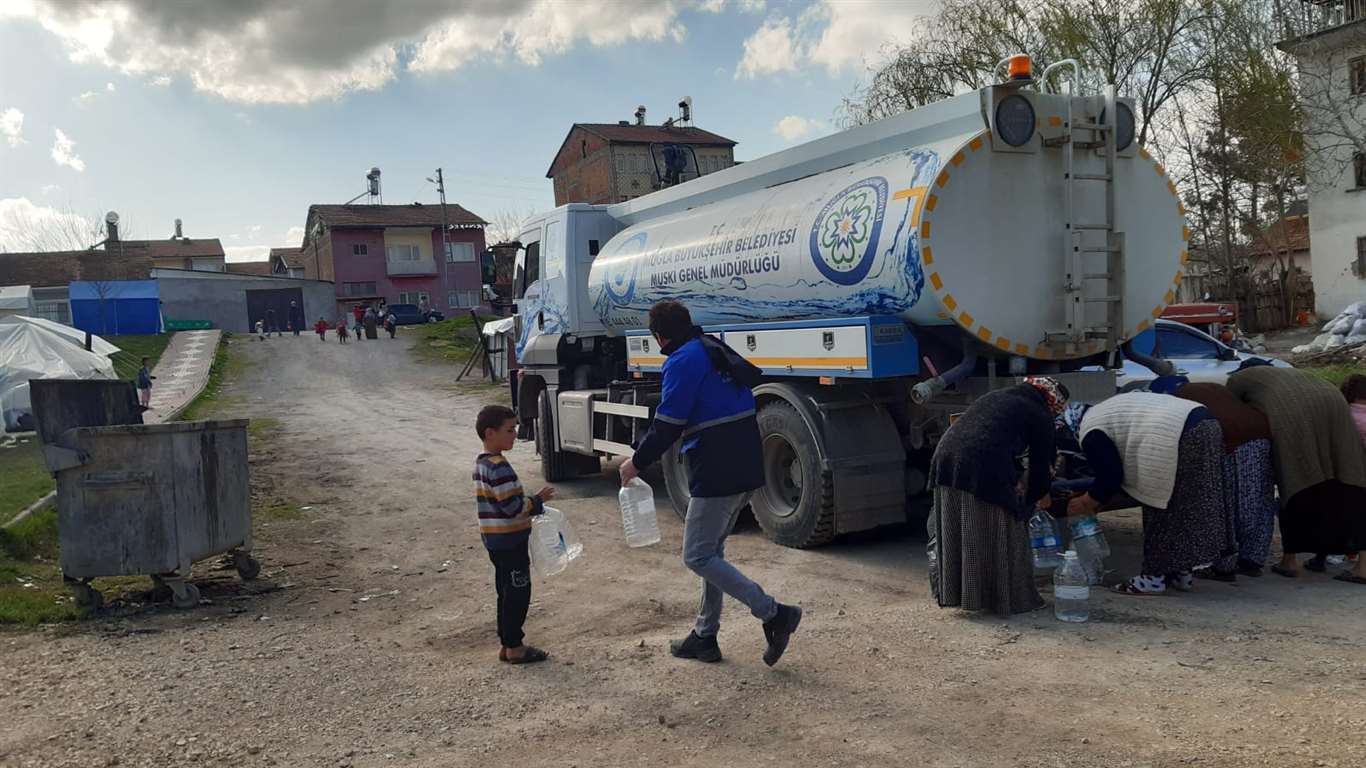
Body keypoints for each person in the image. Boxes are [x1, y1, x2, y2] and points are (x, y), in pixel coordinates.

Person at [619, 300, 802, 667]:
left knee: (697, 555)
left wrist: (635, 463)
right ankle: (705, 636)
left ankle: (773, 613)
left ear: (659, 336)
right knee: (711, 554)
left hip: (718, 466)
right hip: (745, 460)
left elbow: (669, 422)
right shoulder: (711, 347)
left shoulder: (682, 360)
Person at [928, 377, 1065, 616]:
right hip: (982, 464)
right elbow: (1041, 467)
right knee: (1005, 526)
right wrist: (1030, 504)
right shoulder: (1040, 413)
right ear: (1053, 403)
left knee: (962, 528)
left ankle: (962, 594)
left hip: (945, 459)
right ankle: (1011, 598)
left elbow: (993, 434)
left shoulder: (998, 396)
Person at [1070, 391, 1231, 595]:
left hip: (1172, 433)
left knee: (1158, 505)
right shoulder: (1101, 411)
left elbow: (1111, 475)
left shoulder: (1089, 431)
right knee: (1185, 504)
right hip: (1206, 423)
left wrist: (1087, 501)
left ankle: (1152, 579)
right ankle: (1181, 573)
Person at [1227, 364, 1366, 585]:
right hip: (1334, 401)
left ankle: (1289, 561)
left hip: (1298, 415)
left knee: (1295, 481)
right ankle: (1361, 566)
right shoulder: (1288, 374)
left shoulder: (1238, 381)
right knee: (1347, 479)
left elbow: (1235, 415)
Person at [1162, 379, 1277, 579]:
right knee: (1260, 500)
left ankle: (1225, 566)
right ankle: (1252, 559)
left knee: (1229, 503)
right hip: (1262, 434)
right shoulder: (1209, 388)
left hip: (1235, 443)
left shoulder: (1179, 399)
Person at [474, 405, 555, 664]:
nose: (515, 434)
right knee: (518, 592)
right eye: (509, 430)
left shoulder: (482, 464)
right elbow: (512, 508)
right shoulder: (498, 467)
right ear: (490, 433)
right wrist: (536, 501)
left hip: (495, 541)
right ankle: (515, 646)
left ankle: (506, 643)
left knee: (505, 591)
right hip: (510, 541)